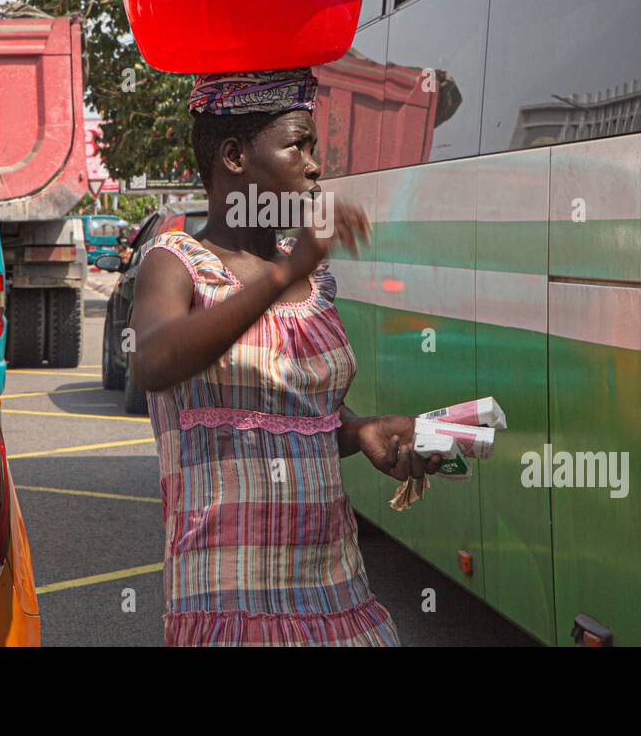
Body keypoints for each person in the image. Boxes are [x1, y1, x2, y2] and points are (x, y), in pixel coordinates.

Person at [129, 67, 444, 647]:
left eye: (315, 147)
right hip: (230, 598)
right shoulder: (176, 263)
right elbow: (151, 361)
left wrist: (365, 432)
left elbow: (298, 421)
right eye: (297, 145)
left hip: (333, 589)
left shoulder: (314, 280)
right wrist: (281, 273)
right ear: (234, 156)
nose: (315, 165)